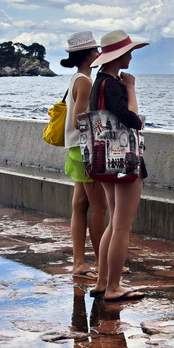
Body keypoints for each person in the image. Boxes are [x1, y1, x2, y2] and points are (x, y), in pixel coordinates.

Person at [87, 30, 148, 302]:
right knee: (122, 225)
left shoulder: (97, 83)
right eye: (129, 52)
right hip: (124, 160)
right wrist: (131, 88)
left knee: (113, 222)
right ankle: (114, 287)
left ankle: (103, 282)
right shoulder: (112, 84)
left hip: (104, 158)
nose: (132, 56)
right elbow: (132, 120)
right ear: (119, 55)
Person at [61, 31, 107, 280]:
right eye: (96, 50)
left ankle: (79, 262)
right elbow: (81, 120)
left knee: (79, 206)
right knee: (99, 208)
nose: (99, 53)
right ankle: (102, 263)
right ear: (89, 54)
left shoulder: (76, 78)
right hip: (85, 149)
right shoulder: (86, 81)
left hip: (75, 149)